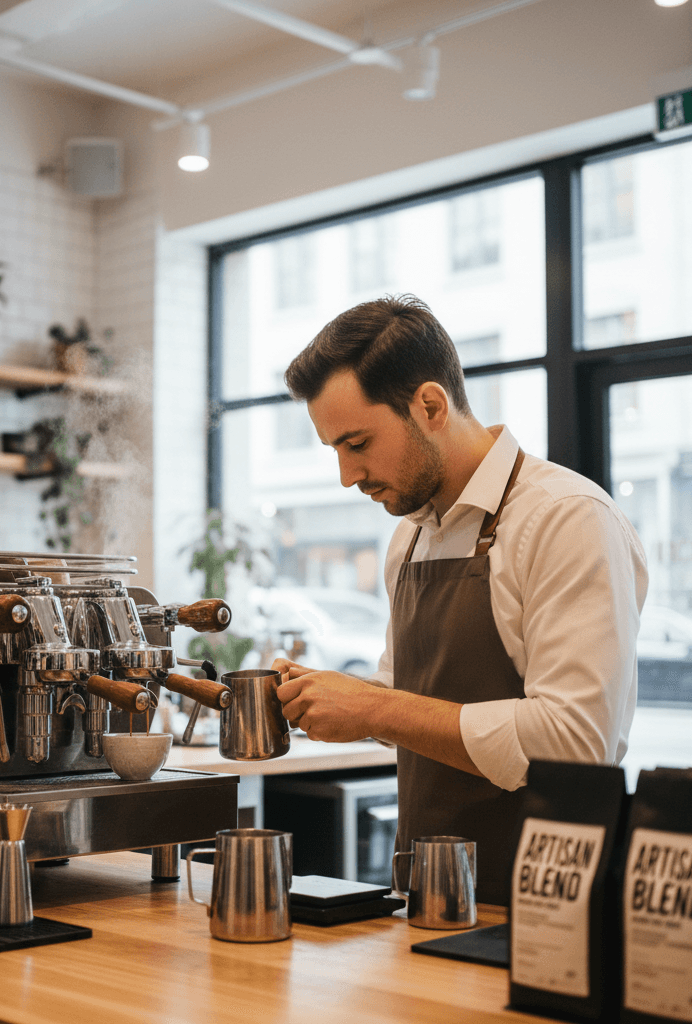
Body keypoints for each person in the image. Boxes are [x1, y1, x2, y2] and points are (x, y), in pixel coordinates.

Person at [274, 295, 648, 905]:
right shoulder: (410, 537)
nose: (347, 475)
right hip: (426, 897)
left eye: (358, 443)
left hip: (548, 910)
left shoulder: (566, 519)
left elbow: (578, 743)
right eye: (335, 451)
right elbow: (408, 712)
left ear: (430, 405)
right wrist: (329, 697)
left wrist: (374, 710)